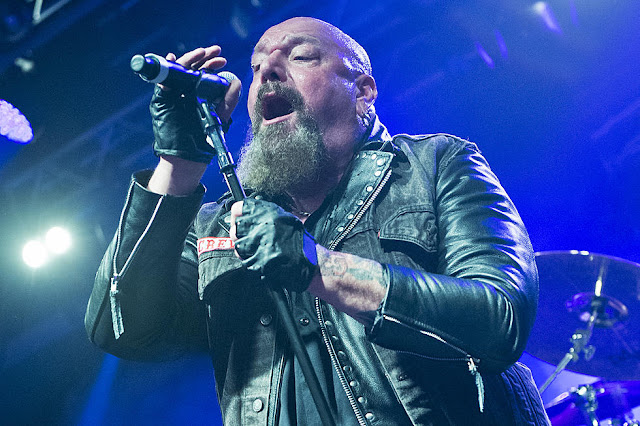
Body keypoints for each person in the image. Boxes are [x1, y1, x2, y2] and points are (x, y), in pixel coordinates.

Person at [85, 16, 550, 425]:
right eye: (255, 66)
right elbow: (121, 327)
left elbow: (500, 320)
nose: (267, 71)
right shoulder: (219, 226)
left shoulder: (435, 165)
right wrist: (179, 162)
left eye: (301, 56)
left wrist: (319, 266)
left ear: (363, 92)